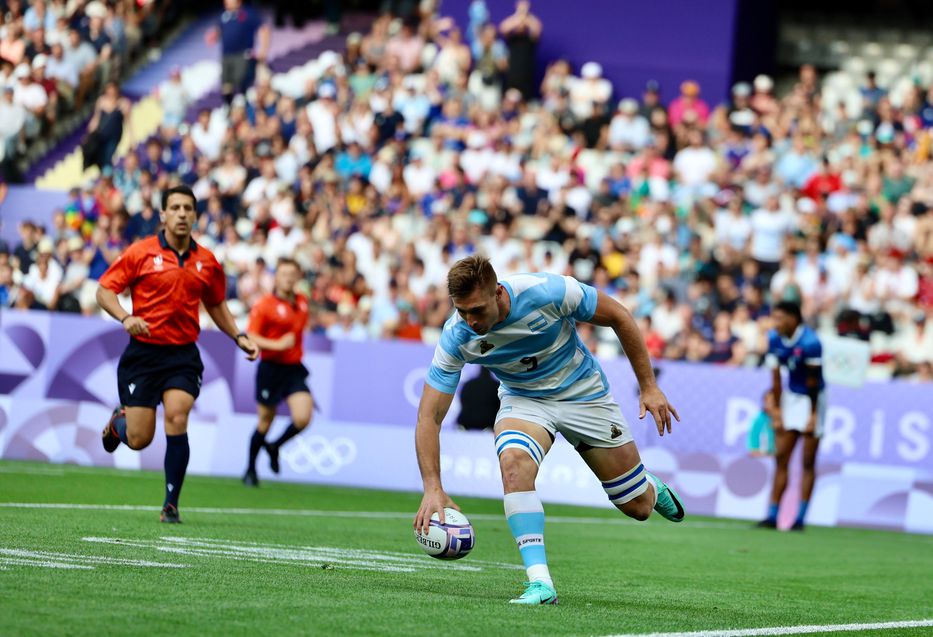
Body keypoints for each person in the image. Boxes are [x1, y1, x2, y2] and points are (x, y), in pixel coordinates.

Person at [413, 255, 683, 605]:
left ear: (497, 293)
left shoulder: (547, 291)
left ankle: (647, 485)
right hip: (524, 400)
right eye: (462, 311)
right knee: (513, 463)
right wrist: (432, 487)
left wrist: (648, 386)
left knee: (637, 507)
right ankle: (540, 584)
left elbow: (618, 316)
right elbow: (429, 417)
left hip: (583, 394)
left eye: (477, 310)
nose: (470, 320)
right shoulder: (456, 336)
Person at [97, 185, 259, 523]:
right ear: (163, 215)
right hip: (143, 355)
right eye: (175, 208)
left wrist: (237, 335)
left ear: (196, 215)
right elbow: (104, 290)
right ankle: (118, 424)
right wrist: (126, 318)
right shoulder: (140, 252)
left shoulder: (207, 262)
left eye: (188, 208)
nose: (182, 214)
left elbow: (215, 303)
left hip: (182, 356)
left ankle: (171, 504)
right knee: (140, 439)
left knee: (177, 414)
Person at [242, 257, 313, 486]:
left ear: (298, 277)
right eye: (284, 274)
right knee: (265, 421)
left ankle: (274, 446)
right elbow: (250, 335)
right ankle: (250, 469)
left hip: (293, 369)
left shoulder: (302, 302)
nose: (289, 278)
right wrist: (277, 345)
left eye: (293, 274)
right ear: (276, 277)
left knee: (303, 418)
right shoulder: (264, 305)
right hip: (271, 368)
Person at [757, 301, 825, 531]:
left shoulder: (811, 342)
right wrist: (777, 411)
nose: (775, 323)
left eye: (779, 318)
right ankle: (772, 515)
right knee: (782, 457)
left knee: (807, 460)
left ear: (793, 318)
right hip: (791, 397)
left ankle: (800, 518)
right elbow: (775, 378)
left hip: (813, 399)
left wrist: (813, 415)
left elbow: (814, 382)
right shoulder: (775, 339)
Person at [207, 0, 270, 106]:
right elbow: (218, 31)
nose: (226, 2)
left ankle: (246, 107)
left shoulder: (247, 14)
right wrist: (214, 35)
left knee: (241, 82)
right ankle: (229, 107)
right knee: (226, 85)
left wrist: (263, 50)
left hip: (242, 55)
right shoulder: (224, 16)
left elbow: (263, 29)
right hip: (226, 56)